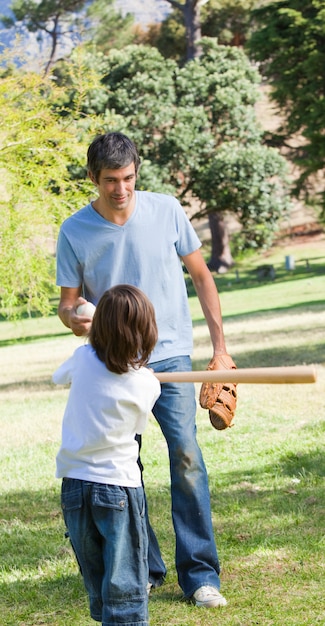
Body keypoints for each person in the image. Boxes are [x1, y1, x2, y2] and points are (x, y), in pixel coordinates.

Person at [56, 131, 233, 608]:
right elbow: (67, 308)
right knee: (120, 471)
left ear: (138, 172)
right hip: (114, 362)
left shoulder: (167, 210)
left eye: (129, 178)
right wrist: (77, 317)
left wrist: (220, 350)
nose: (121, 189)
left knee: (187, 458)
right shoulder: (74, 231)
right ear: (93, 178)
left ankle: (200, 576)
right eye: (110, 180)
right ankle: (144, 569)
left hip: (172, 354)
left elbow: (201, 276)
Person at [54, 284, 161, 626]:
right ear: (146, 332)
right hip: (116, 486)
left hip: (74, 488)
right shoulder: (145, 383)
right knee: (125, 585)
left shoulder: (82, 358)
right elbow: (138, 427)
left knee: (100, 581)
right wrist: (146, 377)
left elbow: (60, 377)